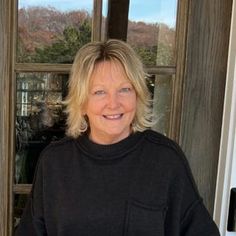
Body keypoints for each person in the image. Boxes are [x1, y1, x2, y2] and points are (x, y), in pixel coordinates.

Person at [15, 39, 220, 236]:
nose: (113, 104)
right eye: (99, 92)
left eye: (124, 89)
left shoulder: (165, 160)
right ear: (82, 102)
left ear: (138, 95)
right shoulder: (55, 162)